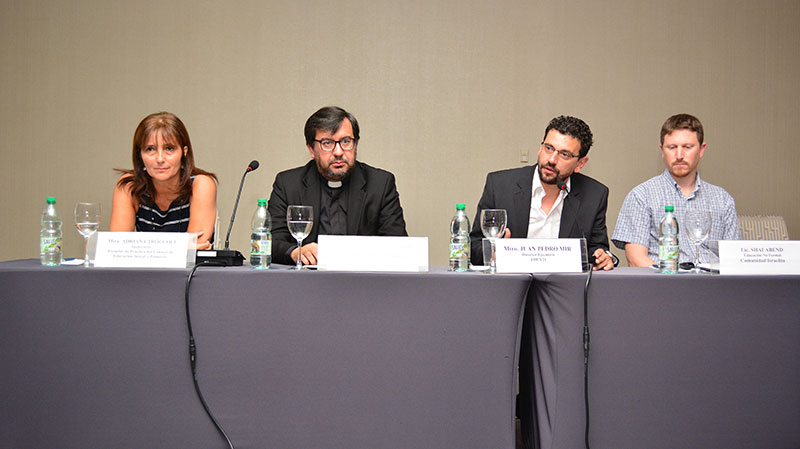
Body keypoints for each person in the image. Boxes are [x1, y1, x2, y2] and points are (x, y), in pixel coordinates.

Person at [469, 115, 616, 270]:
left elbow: (597, 249)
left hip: (565, 284)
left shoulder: (594, 195)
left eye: (564, 154)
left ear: (580, 163)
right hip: (511, 282)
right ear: (541, 147)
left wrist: (603, 257)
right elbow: (474, 245)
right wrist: (493, 254)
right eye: (549, 148)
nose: (552, 160)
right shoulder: (500, 186)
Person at [268, 106, 407, 266]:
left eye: (346, 141)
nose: (339, 152)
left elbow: (399, 245)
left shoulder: (380, 184)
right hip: (306, 278)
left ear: (356, 144)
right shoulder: (288, 184)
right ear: (312, 149)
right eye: (327, 143)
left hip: (362, 278)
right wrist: (294, 252)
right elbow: (270, 241)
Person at [612, 113, 741, 266]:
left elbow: (735, 261)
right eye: (672, 147)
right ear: (662, 150)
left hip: (711, 280)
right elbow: (635, 260)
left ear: (701, 149)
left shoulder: (723, 200)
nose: (679, 155)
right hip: (661, 279)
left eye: (687, 147)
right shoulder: (641, 196)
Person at [110, 112, 218, 250]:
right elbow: (118, 248)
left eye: (169, 149)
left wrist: (141, 248)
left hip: (191, 267)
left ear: (184, 152)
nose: (160, 159)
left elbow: (195, 250)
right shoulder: (128, 186)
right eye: (150, 149)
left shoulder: (201, 184)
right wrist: (181, 247)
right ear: (140, 154)